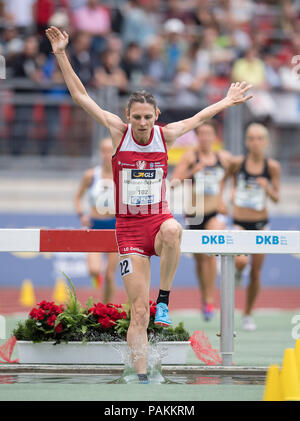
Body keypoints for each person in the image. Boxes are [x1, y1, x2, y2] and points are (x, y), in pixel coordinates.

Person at [46, 25, 252, 382]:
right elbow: (81, 97)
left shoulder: (165, 135)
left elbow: (200, 118)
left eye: (148, 117)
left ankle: (165, 300)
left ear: (157, 117)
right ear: (129, 117)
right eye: (137, 117)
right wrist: (61, 53)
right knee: (137, 312)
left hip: (157, 223)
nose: (142, 123)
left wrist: (227, 101)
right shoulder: (118, 133)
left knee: (174, 228)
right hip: (128, 231)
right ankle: (140, 375)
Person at [171, 120, 232, 321]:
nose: (205, 138)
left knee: (209, 254)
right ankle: (205, 298)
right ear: (197, 137)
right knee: (199, 261)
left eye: (209, 134)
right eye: (202, 134)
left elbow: (236, 178)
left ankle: (210, 300)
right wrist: (192, 172)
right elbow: (173, 183)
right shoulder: (191, 157)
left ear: (215, 136)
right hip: (194, 215)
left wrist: (225, 198)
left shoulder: (224, 158)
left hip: (215, 213)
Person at [226, 123, 280, 331]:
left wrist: (268, 189)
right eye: (251, 138)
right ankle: (239, 272)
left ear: (265, 142)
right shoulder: (238, 163)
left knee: (256, 273)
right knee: (240, 261)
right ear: (246, 141)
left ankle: (248, 314)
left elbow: (276, 197)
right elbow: (226, 179)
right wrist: (229, 193)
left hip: (260, 224)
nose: (255, 142)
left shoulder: (272, 167)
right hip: (240, 222)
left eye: (259, 138)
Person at [74, 137, 118, 304]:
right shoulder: (91, 175)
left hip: (114, 226)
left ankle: (106, 307)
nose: (107, 154)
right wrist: (82, 215)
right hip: (95, 225)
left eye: (111, 150)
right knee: (94, 269)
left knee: (109, 275)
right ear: (100, 153)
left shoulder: (121, 175)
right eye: (104, 150)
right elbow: (77, 198)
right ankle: (95, 278)